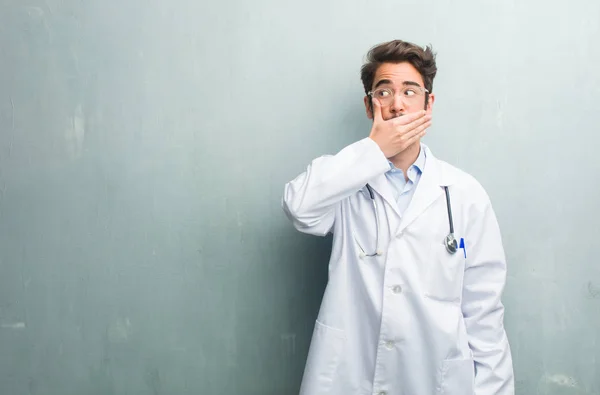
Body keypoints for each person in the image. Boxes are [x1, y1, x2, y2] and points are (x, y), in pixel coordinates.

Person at [281, 39, 514, 395]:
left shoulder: (464, 195)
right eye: (383, 92)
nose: (396, 104)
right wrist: (374, 149)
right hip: (350, 377)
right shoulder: (347, 183)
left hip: (433, 379)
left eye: (409, 91)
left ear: (428, 103)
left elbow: (484, 314)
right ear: (368, 105)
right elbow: (299, 207)